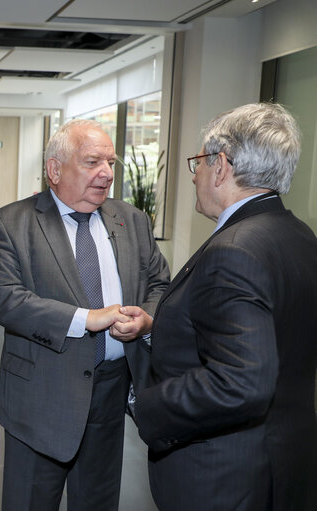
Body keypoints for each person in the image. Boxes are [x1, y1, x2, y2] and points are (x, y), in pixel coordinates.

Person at [134, 102, 317, 511]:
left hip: (225, 478)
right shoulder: (300, 236)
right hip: (286, 464)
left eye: (198, 162)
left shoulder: (233, 249)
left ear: (220, 167)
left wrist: (145, 403)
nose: (195, 174)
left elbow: (241, 382)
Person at [0, 118, 170, 511]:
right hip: (41, 396)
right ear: (55, 170)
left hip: (111, 392)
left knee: (98, 501)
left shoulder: (132, 220)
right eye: (92, 162)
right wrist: (86, 318)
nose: (106, 174)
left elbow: (159, 283)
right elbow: (4, 298)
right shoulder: (12, 224)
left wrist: (148, 320)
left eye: (111, 163)